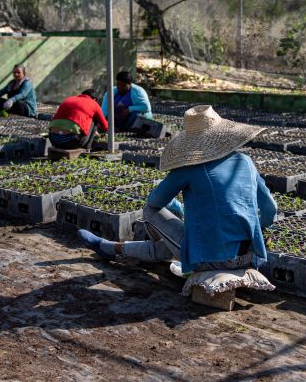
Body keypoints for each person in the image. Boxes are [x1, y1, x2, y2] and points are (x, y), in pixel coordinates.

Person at [79, 105, 278, 275]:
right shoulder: (245, 162)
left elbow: (155, 202)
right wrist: (258, 227)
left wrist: (178, 208)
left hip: (212, 259)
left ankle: (109, 247)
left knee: (150, 211)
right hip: (249, 256)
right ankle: (110, 248)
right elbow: (271, 209)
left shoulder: (189, 167)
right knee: (170, 243)